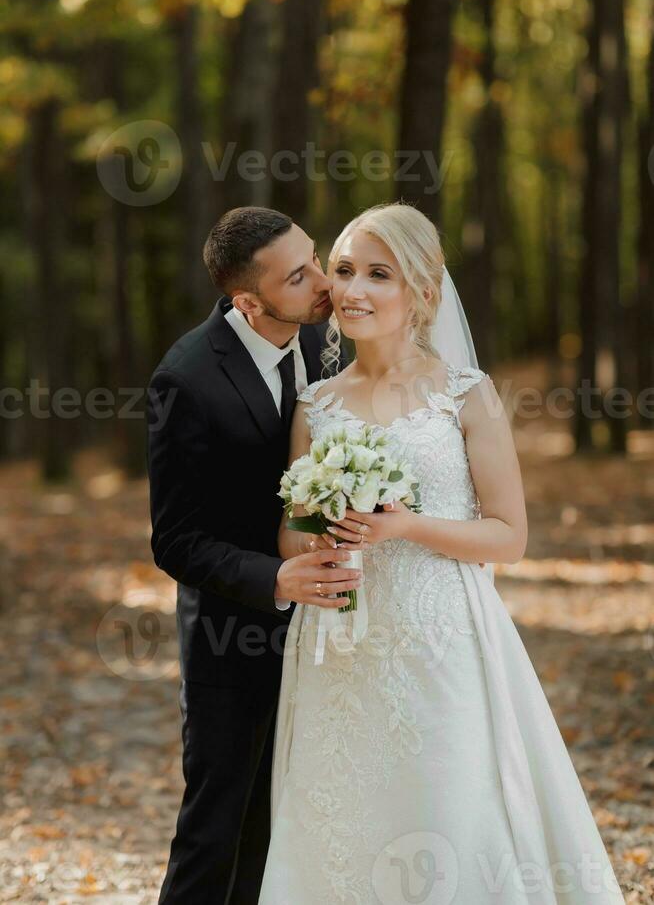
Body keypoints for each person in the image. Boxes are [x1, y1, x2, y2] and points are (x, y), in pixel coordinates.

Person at [258, 202, 625, 904]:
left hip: (443, 639)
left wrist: (405, 528)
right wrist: (323, 538)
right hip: (341, 643)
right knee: (347, 809)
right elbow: (289, 531)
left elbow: (509, 536)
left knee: (448, 802)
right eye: (343, 270)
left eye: (379, 274)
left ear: (423, 292)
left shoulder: (466, 395)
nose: (355, 289)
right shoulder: (316, 403)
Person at [146, 206, 356, 905]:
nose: (324, 281)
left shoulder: (333, 336)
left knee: (282, 825)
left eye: (316, 257)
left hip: (328, 629)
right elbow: (174, 539)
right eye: (300, 276)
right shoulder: (186, 381)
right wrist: (275, 577)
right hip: (230, 636)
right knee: (218, 826)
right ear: (248, 300)